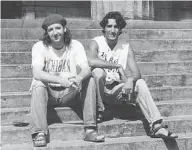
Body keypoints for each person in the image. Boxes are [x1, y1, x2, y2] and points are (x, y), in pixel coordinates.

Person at [87, 11, 178, 139]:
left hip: (116, 90)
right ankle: (100, 110)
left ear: (120, 30)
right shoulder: (96, 42)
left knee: (139, 83)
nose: (112, 30)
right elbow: (91, 61)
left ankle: (157, 125)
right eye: (109, 26)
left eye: (116, 27)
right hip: (99, 91)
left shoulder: (125, 47)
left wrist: (130, 80)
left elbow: (137, 73)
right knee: (97, 72)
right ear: (104, 28)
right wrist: (117, 66)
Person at [30, 14, 105, 147]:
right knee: (38, 83)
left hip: (70, 92)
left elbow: (86, 67)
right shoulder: (39, 46)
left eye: (58, 28)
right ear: (47, 33)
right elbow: (37, 73)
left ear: (64, 29)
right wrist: (60, 80)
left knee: (90, 80)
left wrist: (79, 78)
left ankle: (90, 129)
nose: (55, 33)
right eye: (51, 30)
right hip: (49, 94)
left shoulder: (75, 45)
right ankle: (39, 133)